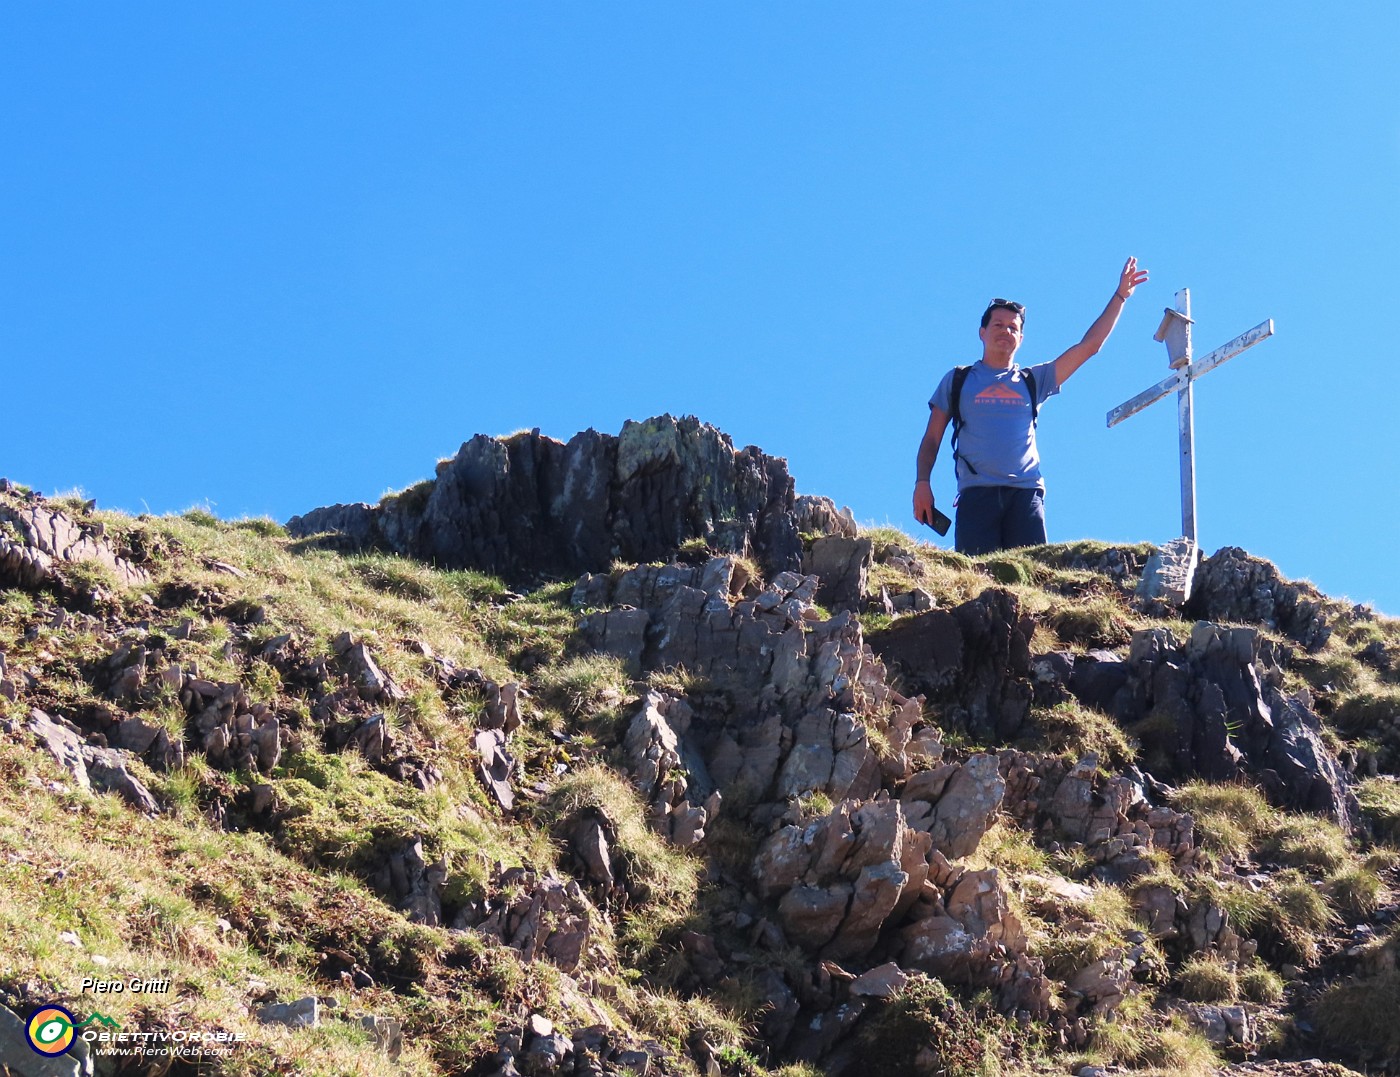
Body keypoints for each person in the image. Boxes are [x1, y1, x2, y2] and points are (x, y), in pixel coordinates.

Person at [913, 257, 1148, 555]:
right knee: (978, 583)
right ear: (982, 332)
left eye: (1013, 327)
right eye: (998, 324)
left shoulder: (1033, 380)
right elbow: (932, 438)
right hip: (976, 495)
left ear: (1021, 338)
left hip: (1026, 495)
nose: (1005, 331)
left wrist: (1120, 297)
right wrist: (923, 482)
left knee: (1031, 583)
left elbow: (1089, 347)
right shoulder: (958, 380)